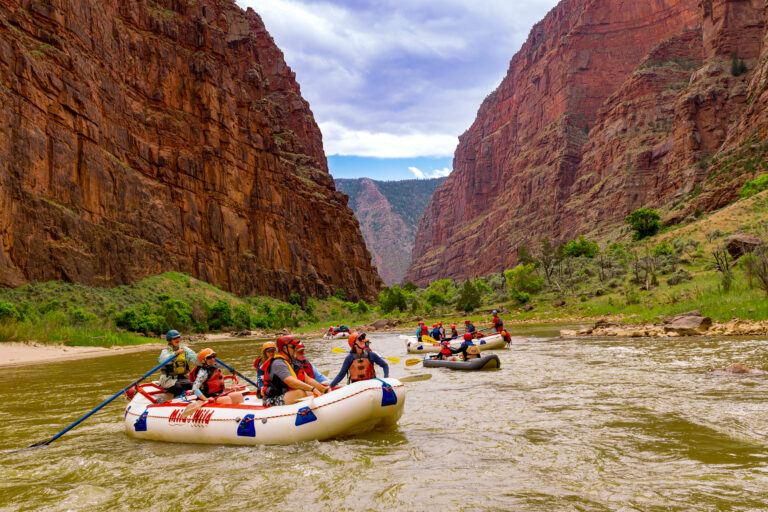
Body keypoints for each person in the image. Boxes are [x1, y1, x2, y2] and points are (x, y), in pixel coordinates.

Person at [262, 336, 328, 406]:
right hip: (271, 399)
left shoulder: (293, 362)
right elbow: (291, 382)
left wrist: (325, 390)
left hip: (286, 394)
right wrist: (312, 389)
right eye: (293, 347)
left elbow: (308, 380)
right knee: (300, 392)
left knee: (305, 391)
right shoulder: (278, 363)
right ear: (284, 348)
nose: (295, 349)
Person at [157, 330, 197, 398]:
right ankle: (174, 398)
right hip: (168, 379)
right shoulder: (165, 351)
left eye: (178, 337)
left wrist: (202, 356)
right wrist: (174, 354)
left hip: (182, 378)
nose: (177, 339)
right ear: (170, 341)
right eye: (174, 338)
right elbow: (162, 360)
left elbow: (194, 358)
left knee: (193, 386)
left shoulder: (184, 350)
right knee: (178, 387)